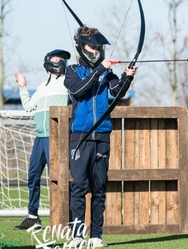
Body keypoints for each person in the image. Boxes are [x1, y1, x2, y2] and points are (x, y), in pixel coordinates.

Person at [65, 26, 137, 248]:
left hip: (102, 136)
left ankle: (97, 235)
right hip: (80, 137)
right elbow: (78, 91)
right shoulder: (73, 71)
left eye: (98, 47)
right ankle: (77, 235)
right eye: (91, 46)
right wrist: (98, 71)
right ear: (81, 47)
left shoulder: (107, 73)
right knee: (79, 186)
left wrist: (127, 76)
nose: (96, 50)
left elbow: (117, 92)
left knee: (99, 187)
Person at [13, 49, 71, 230]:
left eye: (62, 60)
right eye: (57, 59)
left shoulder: (67, 83)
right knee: (33, 175)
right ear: (48, 63)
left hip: (58, 137)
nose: (61, 62)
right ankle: (33, 217)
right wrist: (23, 86)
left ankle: (67, 219)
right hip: (40, 138)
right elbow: (29, 107)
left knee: (61, 178)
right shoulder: (42, 86)